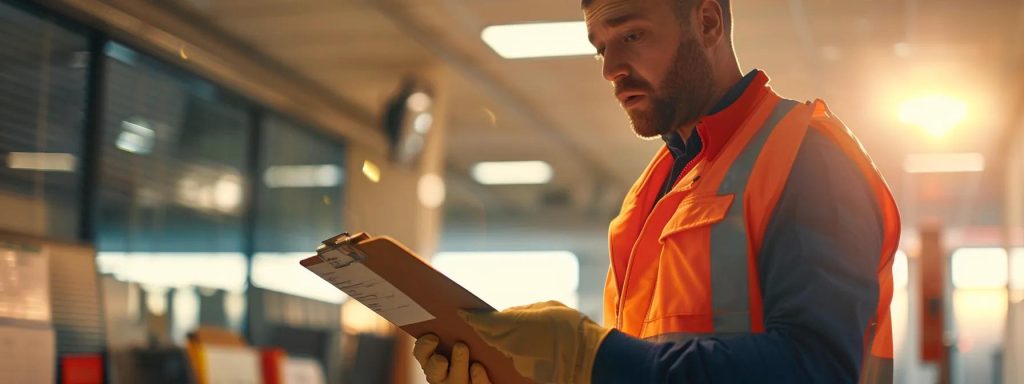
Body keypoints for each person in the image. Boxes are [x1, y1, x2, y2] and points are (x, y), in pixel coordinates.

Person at [413, 0, 901, 382]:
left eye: (631, 35)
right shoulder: (649, 194)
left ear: (708, 22)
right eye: (601, 47)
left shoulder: (806, 157)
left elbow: (818, 369)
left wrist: (591, 358)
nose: (611, 68)